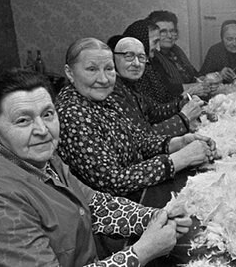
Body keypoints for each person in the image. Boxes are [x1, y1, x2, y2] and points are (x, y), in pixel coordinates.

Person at [0, 68, 194, 266]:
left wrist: (155, 217)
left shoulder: (43, 159)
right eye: (23, 120)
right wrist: (142, 252)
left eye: (48, 114)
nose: (42, 129)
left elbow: (94, 205)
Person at [55, 37, 218, 202]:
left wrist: (178, 142)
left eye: (109, 68)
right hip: (116, 211)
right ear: (70, 73)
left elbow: (137, 139)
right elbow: (113, 181)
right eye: (92, 69)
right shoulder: (72, 114)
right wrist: (181, 158)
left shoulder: (103, 99)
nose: (103, 79)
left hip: (138, 194)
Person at [110, 36, 204, 137]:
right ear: (114, 58)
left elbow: (155, 111)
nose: (137, 63)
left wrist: (181, 103)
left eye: (141, 57)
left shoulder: (132, 85)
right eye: (129, 56)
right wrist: (184, 117)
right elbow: (143, 138)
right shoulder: (113, 90)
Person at [124, 17, 210, 101]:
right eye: (163, 32)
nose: (169, 36)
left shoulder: (176, 50)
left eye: (172, 31)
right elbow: (166, 92)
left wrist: (204, 81)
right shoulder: (151, 59)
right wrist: (190, 91)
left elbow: (193, 74)